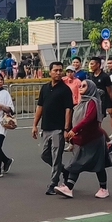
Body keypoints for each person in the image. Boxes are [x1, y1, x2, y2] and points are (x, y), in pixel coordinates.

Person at [55, 77, 112, 198]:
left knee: (97, 165)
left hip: (93, 139)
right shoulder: (81, 103)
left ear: (90, 88)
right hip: (82, 139)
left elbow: (88, 119)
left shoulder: (93, 102)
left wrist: (74, 130)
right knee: (79, 162)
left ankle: (103, 188)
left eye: (84, 86)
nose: (81, 88)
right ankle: (69, 187)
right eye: (80, 86)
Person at [34, 62, 74, 195]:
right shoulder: (45, 88)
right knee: (44, 155)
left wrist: (67, 128)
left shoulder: (65, 90)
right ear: (50, 72)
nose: (58, 73)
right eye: (55, 70)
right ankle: (64, 170)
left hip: (59, 128)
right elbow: (40, 107)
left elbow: (68, 109)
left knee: (56, 156)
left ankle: (53, 183)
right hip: (46, 127)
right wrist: (34, 125)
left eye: (60, 70)